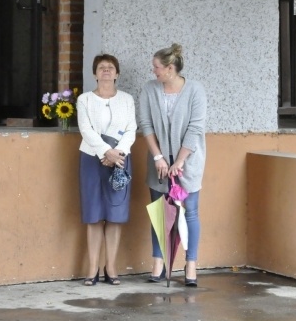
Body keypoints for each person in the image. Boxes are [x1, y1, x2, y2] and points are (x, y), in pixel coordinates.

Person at [139, 43, 207, 287]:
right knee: (159, 212)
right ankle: (158, 262)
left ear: (170, 68)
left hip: (187, 162)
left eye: (156, 67)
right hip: (158, 163)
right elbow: (146, 124)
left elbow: (196, 128)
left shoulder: (195, 91)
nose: (153, 71)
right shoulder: (149, 89)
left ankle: (191, 264)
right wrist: (158, 157)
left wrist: (179, 161)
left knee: (190, 212)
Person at [76, 54, 137, 286]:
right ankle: (92, 268)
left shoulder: (127, 99)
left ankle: (110, 266)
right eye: (101, 68)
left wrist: (117, 153)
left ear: (117, 73)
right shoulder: (85, 100)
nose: (106, 71)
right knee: (93, 215)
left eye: (110, 68)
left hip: (120, 160)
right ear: (94, 73)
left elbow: (131, 129)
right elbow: (86, 129)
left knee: (115, 215)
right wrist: (105, 152)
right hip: (92, 158)